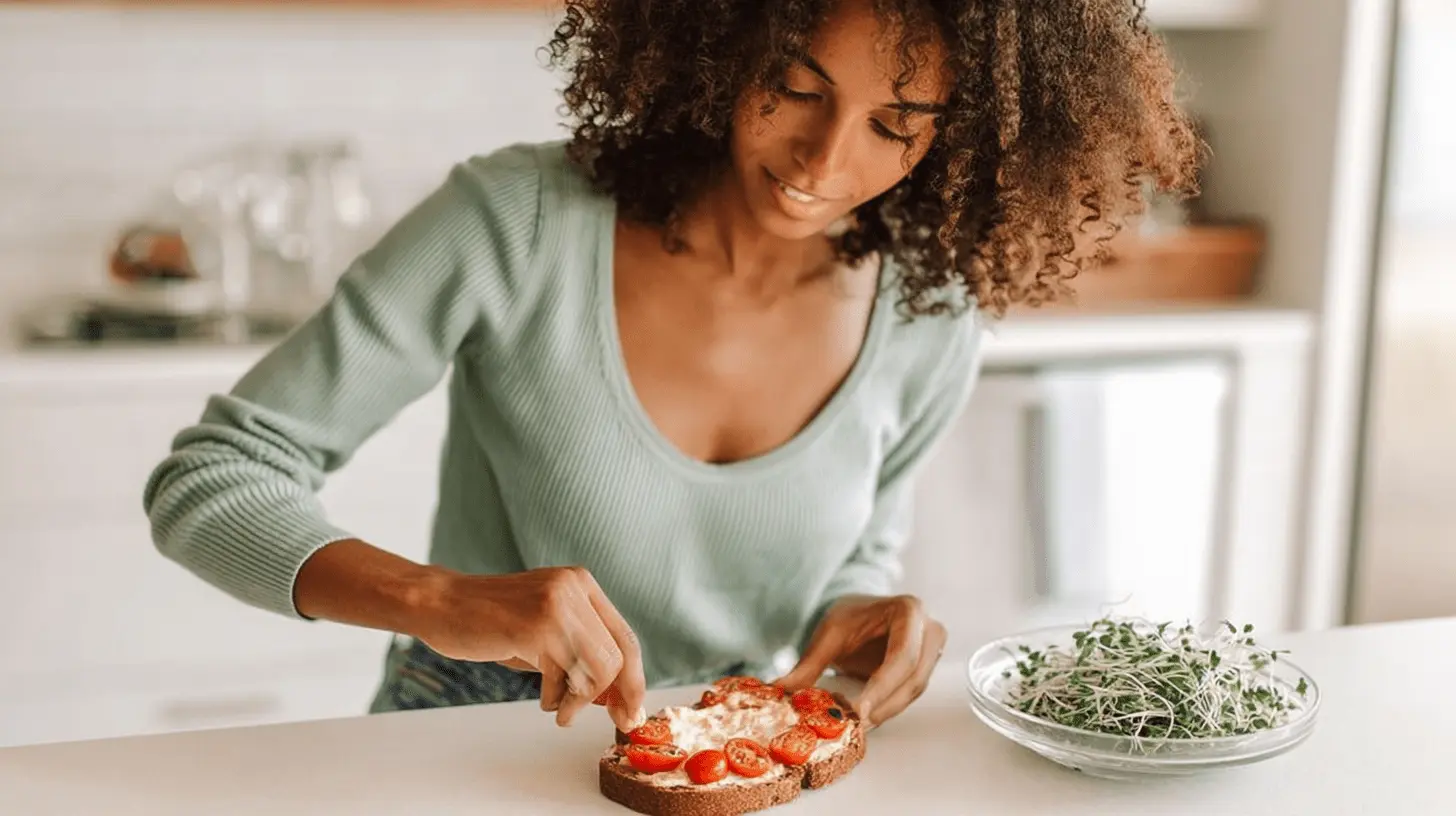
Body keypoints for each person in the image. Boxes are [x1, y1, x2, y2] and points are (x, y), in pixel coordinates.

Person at [142, 0, 1200, 737]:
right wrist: (440, 598)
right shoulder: (517, 221)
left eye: (893, 126)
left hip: (726, 754)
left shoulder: (930, 310)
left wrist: (866, 609)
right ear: (722, 39)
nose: (825, 162)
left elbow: (857, 547)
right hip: (461, 743)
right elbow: (212, 480)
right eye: (794, 88)